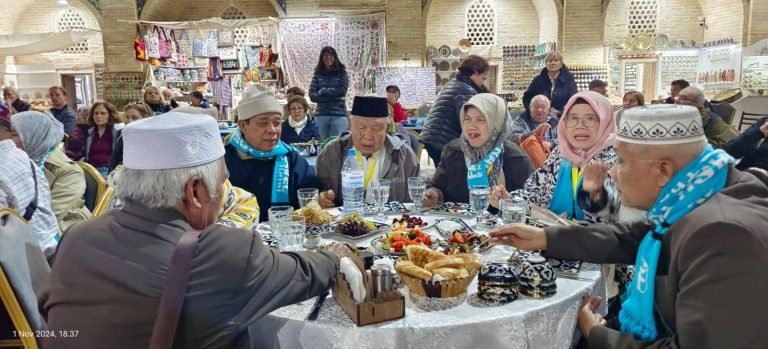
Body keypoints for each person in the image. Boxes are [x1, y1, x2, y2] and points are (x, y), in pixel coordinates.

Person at [42, 111, 352, 348]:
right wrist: (335, 256)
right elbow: (305, 273)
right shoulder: (219, 251)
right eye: (222, 183)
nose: (224, 195)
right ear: (194, 192)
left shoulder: (76, 239)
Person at [489, 104, 768, 348]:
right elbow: (630, 237)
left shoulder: (725, 235)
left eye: (621, 161)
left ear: (663, 171)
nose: (613, 171)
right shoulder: (695, 195)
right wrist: (543, 237)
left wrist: (596, 334)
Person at [505, 91, 620, 223]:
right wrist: (508, 199)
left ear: (605, 122)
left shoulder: (617, 159)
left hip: (593, 236)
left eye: (590, 119)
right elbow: (534, 193)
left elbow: (619, 218)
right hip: (552, 232)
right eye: (573, 118)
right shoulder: (560, 154)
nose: (580, 125)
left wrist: (595, 194)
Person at [225, 84, 321, 222]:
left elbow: (311, 197)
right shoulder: (225, 162)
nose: (272, 130)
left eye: (276, 123)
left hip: (286, 233)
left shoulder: (292, 160)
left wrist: (323, 198)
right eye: (263, 123)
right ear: (243, 126)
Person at [422, 94, 533, 205]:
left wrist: (509, 203)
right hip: (456, 216)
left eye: (480, 120)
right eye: (467, 119)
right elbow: (437, 187)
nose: (472, 126)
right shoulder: (453, 152)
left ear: (496, 122)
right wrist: (435, 195)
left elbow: (529, 201)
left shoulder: (516, 158)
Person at [317, 96, 420, 208]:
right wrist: (321, 198)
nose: (368, 136)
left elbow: (418, 198)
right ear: (350, 125)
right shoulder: (332, 152)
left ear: (387, 128)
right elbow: (315, 191)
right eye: (361, 127)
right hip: (345, 218)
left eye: (376, 128)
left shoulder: (403, 155)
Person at [10, 111, 90, 233]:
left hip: (62, 231)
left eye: (13, 134)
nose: (6, 140)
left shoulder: (69, 172)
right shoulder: (17, 161)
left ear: (35, 137)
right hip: (18, 224)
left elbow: (48, 217)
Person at [0, 106, 59, 258]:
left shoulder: (67, 170)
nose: (13, 139)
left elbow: (57, 211)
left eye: (15, 134)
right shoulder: (24, 158)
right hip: (41, 247)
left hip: (29, 254)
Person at [420, 55, 490, 166]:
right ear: (474, 73)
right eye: (483, 78)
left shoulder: (454, 84)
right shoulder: (465, 90)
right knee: (454, 174)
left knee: (445, 173)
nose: (483, 83)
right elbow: (467, 122)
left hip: (434, 139)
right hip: (443, 141)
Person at [309, 46, 349, 140]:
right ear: (321, 57)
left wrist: (323, 91)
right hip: (321, 115)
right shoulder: (317, 74)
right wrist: (335, 97)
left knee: (339, 144)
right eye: (326, 55)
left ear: (335, 57)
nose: (328, 57)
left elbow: (342, 91)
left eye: (331, 55)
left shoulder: (342, 72)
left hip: (339, 115)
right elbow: (312, 96)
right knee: (321, 144)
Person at [522, 51, 578, 116]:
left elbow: (573, 98)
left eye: (556, 60)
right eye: (550, 61)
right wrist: (534, 111)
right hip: (541, 117)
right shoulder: (538, 80)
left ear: (561, 64)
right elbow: (527, 97)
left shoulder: (569, 79)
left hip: (562, 117)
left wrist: (563, 112)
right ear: (546, 64)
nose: (553, 63)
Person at [107, 103, 151, 172]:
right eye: (127, 117)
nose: (129, 121)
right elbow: (114, 159)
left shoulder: (152, 137)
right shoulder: (121, 133)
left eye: (134, 118)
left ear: (146, 118)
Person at [84, 102, 120, 177]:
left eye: (103, 113)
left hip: (108, 170)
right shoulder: (90, 132)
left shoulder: (117, 132)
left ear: (110, 115)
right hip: (90, 169)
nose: (99, 116)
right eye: (96, 113)